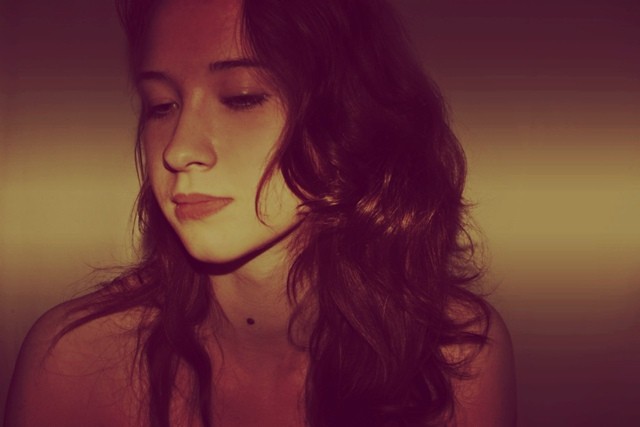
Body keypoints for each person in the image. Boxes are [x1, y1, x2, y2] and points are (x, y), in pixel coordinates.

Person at [4, 0, 516, 426]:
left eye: (241, 98)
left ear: (349, 116)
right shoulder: (72, 363)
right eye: (161, 105)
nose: (178, 150)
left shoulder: (456, 356)